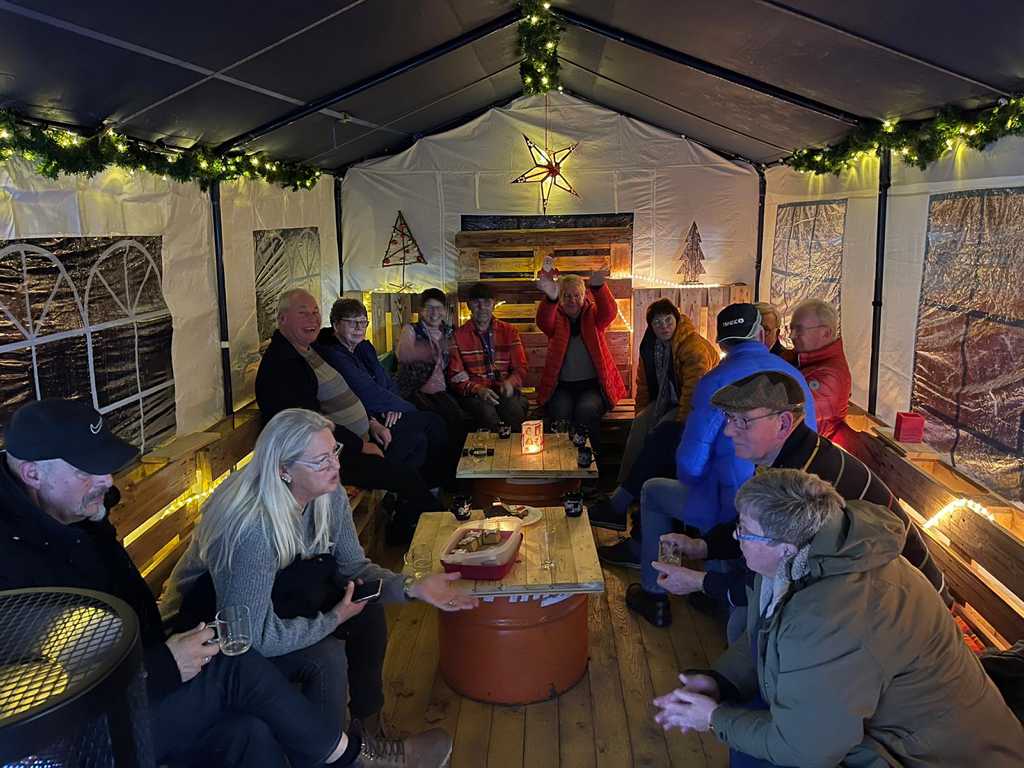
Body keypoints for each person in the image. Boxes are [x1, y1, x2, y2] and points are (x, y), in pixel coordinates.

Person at [0, 398, 448, 768]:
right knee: (256, 664)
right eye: (88, 471)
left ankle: (360, 740)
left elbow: (352, 567)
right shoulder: (14, 562)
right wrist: (162, 666)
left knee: (250, 729)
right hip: (93, 732)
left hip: (153, 666)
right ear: (33, 473)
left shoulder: (79, 514)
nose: (107, 481)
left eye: (106, 467)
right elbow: (37, 700)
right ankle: (353, 757)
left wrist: (409, 586)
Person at [653, 469, 1024, 767]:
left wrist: (714, 718)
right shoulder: (808, 558)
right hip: (879, 731)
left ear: (784, 547)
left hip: (930, 755)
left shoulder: (831, 614)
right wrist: (721, 682)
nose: (737, 539)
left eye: (745, 532)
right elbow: (765, 634)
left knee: (754, 751)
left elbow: (807, 749)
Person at [161, 408, 476, 745]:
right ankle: (340, 755)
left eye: (334, 452)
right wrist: (332, 619)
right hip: (212, 629)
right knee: (325, 657)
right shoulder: (252, 527)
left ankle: (370, 733)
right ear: (283, 470)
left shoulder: (328, 494)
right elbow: (255, 636)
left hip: (281, 593)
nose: (336, 466)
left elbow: (354, 569)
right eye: (320, 461)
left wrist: (412, 586)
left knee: (367, 609)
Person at [651, 371, 947, 616]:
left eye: (742, 421)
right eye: (729, 418)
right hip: (868, 591)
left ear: (783, 423)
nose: (729, 431)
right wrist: (702, 546)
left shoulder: (803, 484)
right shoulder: (791, 458)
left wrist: (700, 582)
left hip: (904, 609)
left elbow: (776, 582)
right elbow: (756, 523)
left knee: (748, 622)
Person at [610, 304, 816, 629]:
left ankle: (654, 593)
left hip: (734, 505)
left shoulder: (715, 381)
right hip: (790, 503)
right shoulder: (795, 378)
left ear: (722, 343)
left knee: (653, 491)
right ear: (761, 335)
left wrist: (698, 481)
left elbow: (690, 464)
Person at [255, 289, 440, 542]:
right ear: (282, 318)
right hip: (323, 457)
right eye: (303, 313)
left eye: (315, 312)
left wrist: (372, 422)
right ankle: (441, 527)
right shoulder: (283, 364)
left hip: (359, 434)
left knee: (416, 442)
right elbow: (309, 425)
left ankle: (404, 522)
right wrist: (361, 445)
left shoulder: (309, 348)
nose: (312, 319)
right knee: (406, 472)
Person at [588, 298, 718, 528]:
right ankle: (623, 489)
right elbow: (644, 385)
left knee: (660, 433)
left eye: (668, 320)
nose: (664, 326)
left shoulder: (692, 347)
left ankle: (625, 497)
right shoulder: (651, 346)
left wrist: (681, 424)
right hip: (665, 401)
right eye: (658, 323)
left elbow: (694, 392)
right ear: (651, 326)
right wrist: (642, 412)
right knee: (639, 425)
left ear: (676, 320)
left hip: (693, 407)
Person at [314, 297, 454, 488]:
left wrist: (393, 406)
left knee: (422, 435)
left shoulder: (363, 347)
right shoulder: (334, 354)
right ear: (336, 324)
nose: (359, 327)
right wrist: (403, 408)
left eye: (363, 322)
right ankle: (435, 486)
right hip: (365, 421)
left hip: (385, 411)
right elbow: (366, 391)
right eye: (352, 322)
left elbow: (386, 380)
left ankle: (421, 489)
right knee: (433, 422)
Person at [536, 270, 626, 453]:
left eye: (577, 295)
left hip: (592, 387)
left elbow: (609, 313)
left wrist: (599, 287)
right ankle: (560, 460)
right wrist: (551, 299)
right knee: (560, 413)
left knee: (586, 411)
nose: (572, 300)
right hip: (562, 387)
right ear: (561, 298)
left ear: (584, 296)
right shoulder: (556, 318)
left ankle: (588, 460)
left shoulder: (593, 315)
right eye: (567, 296)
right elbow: (544, 321)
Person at [448, 282, 530, 431]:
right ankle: (494, 446)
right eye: (476, 302)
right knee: (487, 414)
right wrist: (478, 389)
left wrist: (510, 382)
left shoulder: (509, 332)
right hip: (475, 394)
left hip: (503, 390)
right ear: (469, 305)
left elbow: (521, 368)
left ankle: (516, 445)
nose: (482, 307)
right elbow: (456, 376)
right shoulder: (458, 336)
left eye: (487, 302)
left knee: (513, 410)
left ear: (494, 304)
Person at [395, 288, 466, 453]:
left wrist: (461, 373)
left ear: (444, 310)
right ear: (421, 311)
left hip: (442, 390)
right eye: (429, 308)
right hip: (414, 389)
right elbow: (403, 354)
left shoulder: (449, 331)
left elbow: (457, 358)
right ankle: (442, 464)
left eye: (438, 308)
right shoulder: (411, 330)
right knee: (439, 420)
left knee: (457, 418)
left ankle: (458, 462)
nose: (434, 313)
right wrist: (432, 349)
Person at [787, 297, 852, 443]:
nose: (791, 336)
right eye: (791, 328)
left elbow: (789, 414)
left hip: (806, 451)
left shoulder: (830, 376)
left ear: (826, 333)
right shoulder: (805, 360)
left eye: (799, 329)